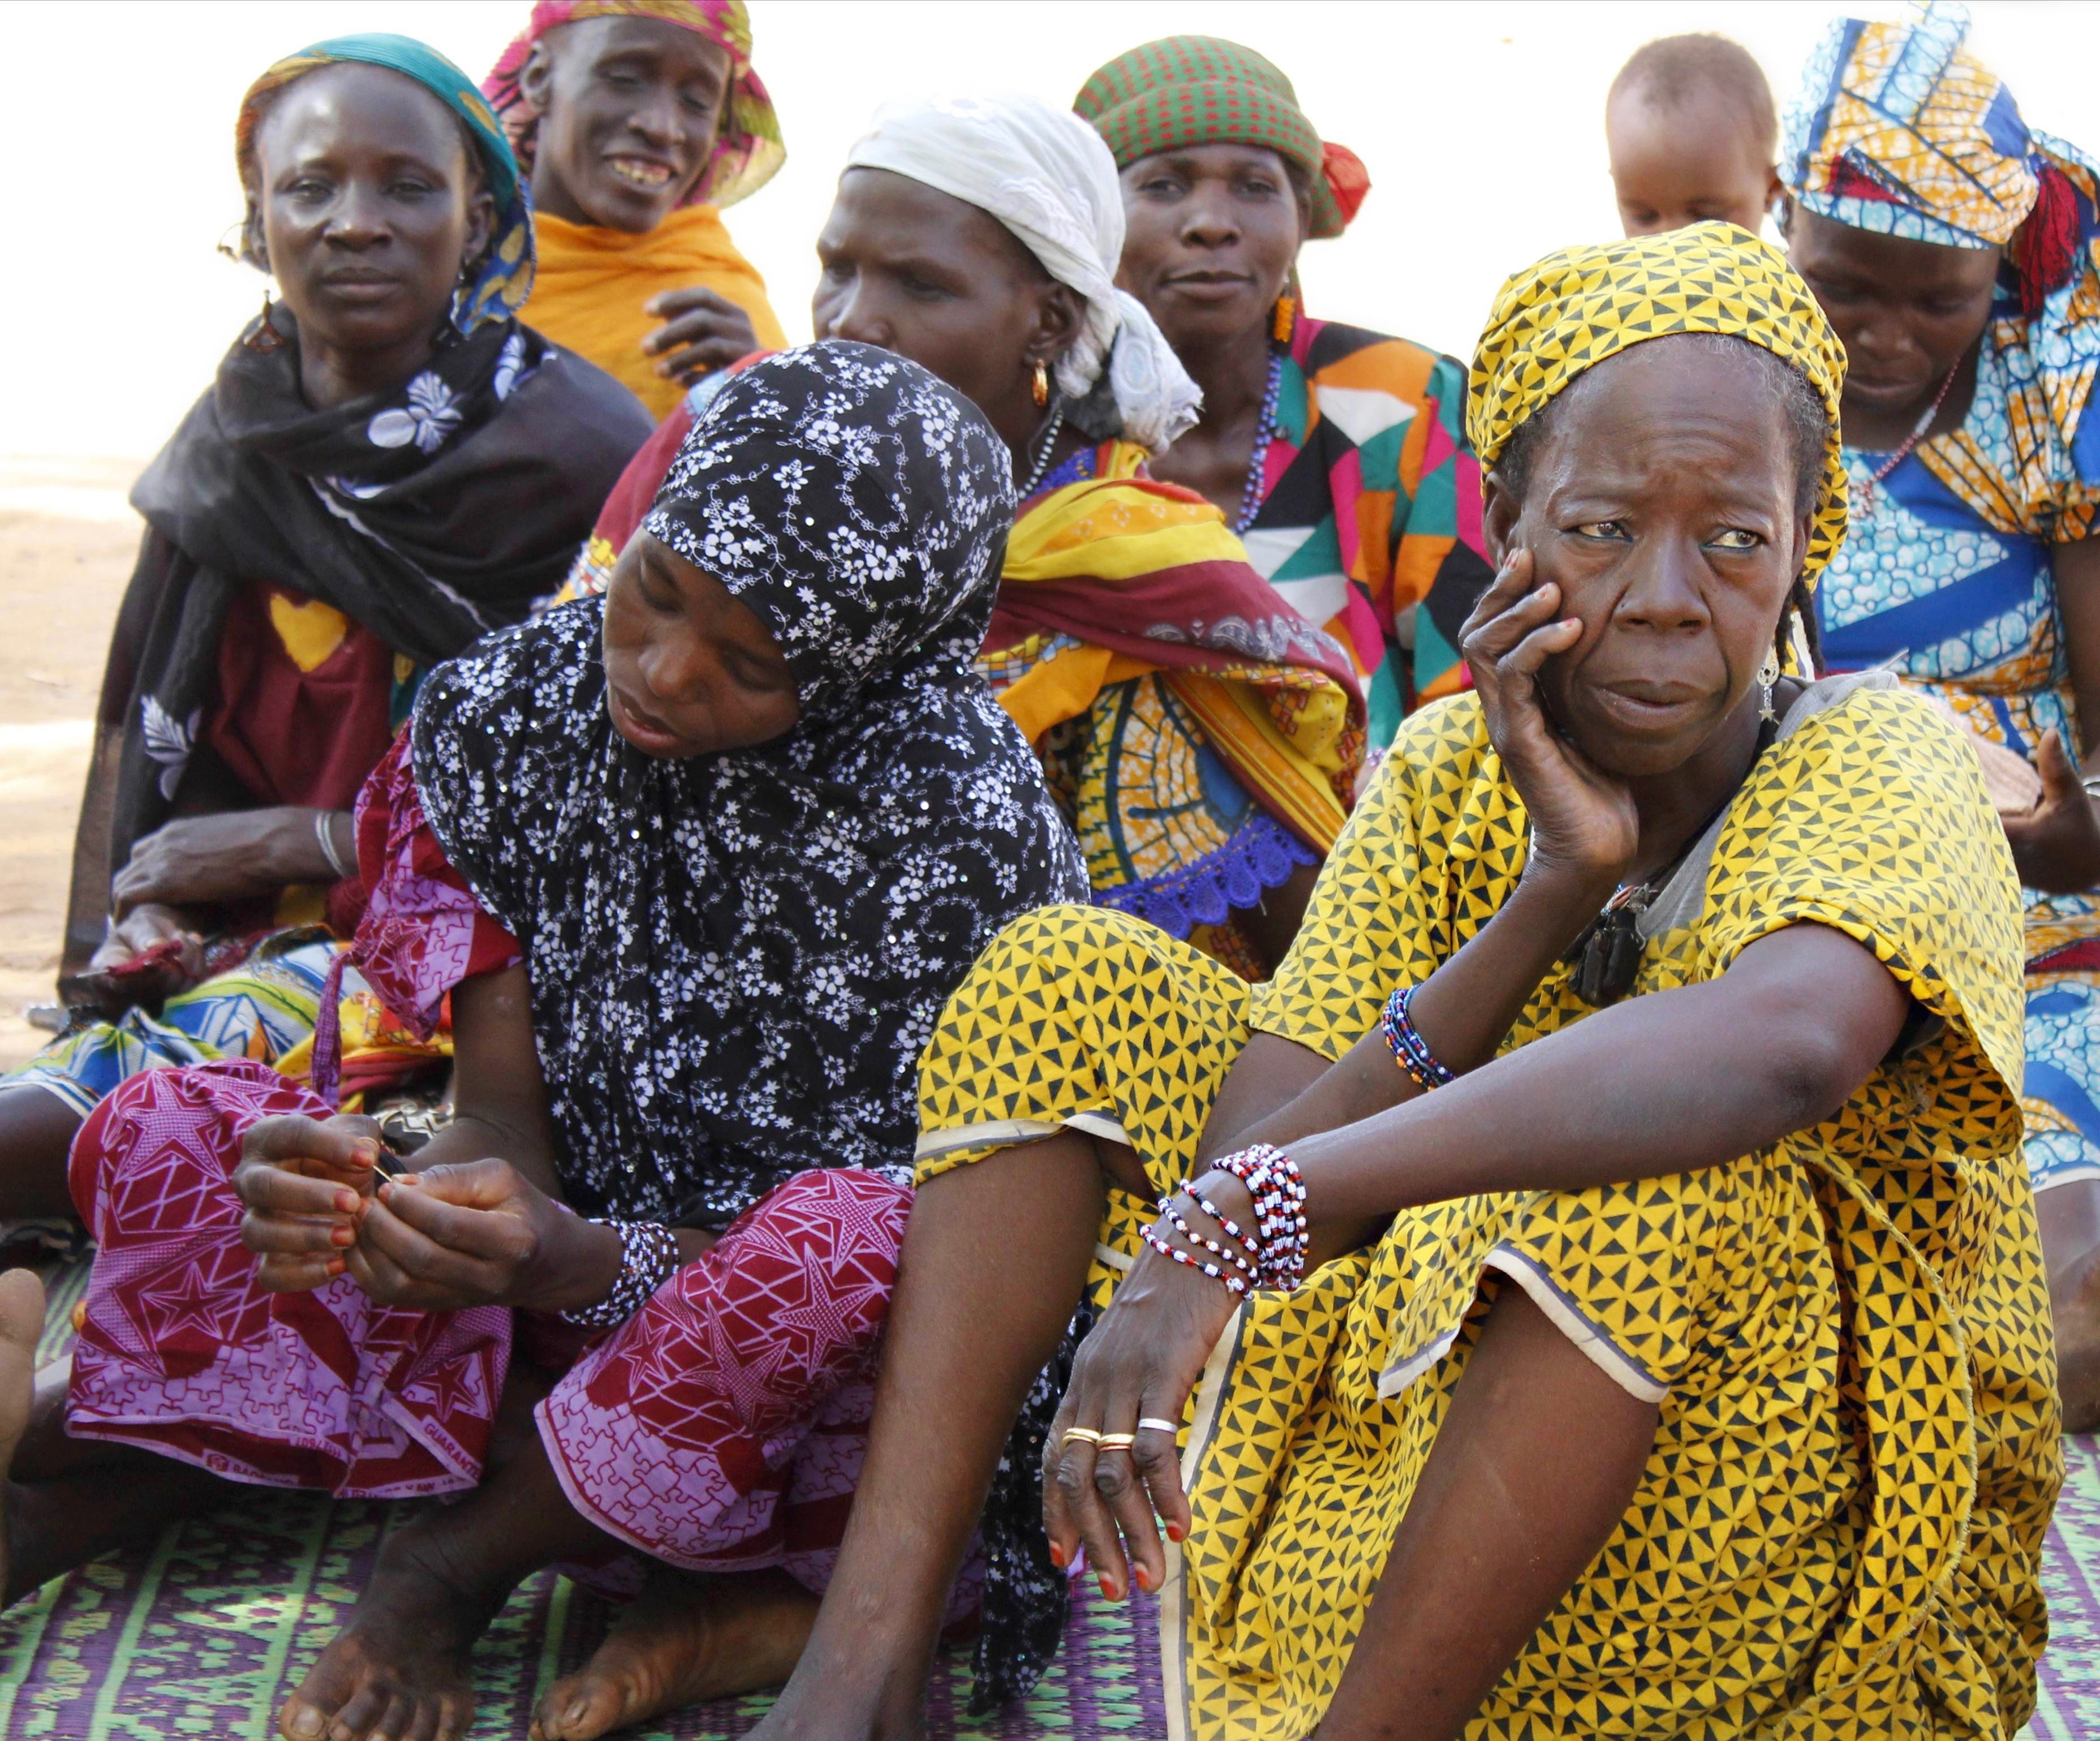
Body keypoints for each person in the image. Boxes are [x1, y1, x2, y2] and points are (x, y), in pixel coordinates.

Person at [744, 223, 2059, 1740]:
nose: (1664, 595)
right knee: (1068, 975)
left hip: (1772, 1509)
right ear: (1507, 515)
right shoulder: (1452, 767)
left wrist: (1249, 1217)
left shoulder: (1874, 755)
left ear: (1808, 541)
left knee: (1637, 1156)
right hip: (1428, 1445)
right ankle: (864, 1668)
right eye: (1602, 526)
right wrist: (1548, 892)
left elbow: (1782, 1049)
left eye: (1736, 540)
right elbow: (1270, 1123)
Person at [0, 344, 1089, 1739]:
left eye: (750, 664)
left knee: (838, 1241)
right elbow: (500, 1114)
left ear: (868, 662)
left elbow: (951, 1254)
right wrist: (425, 1190)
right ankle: (17, 1530)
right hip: (548, 1311)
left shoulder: (957, 827)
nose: (666, 673)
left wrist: (584, 1252)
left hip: (828, 1386)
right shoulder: (523, 711)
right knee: (224, 1132)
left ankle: (444, 1573)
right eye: (656, 593)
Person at [0, 35, 651, 1308]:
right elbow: (169, 751)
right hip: (246, 943)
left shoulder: (577, 454)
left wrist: (304, 837)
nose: (355, 224)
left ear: (481, 211)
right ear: (253, 216)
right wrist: (183, 899)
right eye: (311, 187)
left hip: (474, 984)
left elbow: (593, 802)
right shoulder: (232, 439)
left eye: (406, 188)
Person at [568, 94, 1367, 979]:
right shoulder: (732, 425)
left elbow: (1310, 937)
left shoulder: (1115, 550)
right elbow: (568, 674)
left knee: (1131, 692)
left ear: (1050, 321)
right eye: (838, 269)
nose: (854, 318)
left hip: (1013, 1003)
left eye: (921, 285)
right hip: (672, 944)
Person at [1779, 1, 2100, 1433]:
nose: (1888, 334)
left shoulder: (2051, 405)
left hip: (2040, 924)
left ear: (2000, 268)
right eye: (1847, 286)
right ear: (1785, 220)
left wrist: (2069, 844)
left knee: (2060, 1265)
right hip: (1796, 915)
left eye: (1940, 295)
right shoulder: (1730, 393)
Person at [1073, 37, 1494, 752]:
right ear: (1091, 220)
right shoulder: (1042, 425)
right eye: (1164, 185)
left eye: (1254, 186)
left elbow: (1474, 694)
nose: (1212, 221)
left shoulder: (1399, 401)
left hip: (1381, 854)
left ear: (1301, 219)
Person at [486, 0, 788, 420]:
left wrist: (762, 401)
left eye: (698, 101)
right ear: (539, 78)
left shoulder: (722, 320)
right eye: (625, 78)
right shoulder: (451, 263)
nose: (662, 126)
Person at [1606, 34, 1784, 238]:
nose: (1671, 243)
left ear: (1772, 191)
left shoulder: (1796, 269)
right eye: (1644, 217)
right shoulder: (1592, 269)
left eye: (1706, 217)